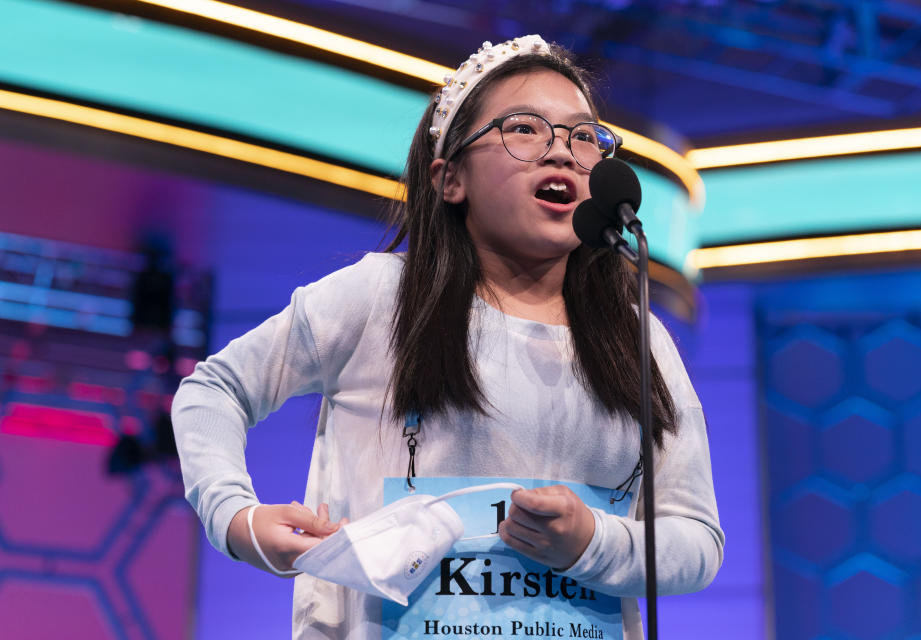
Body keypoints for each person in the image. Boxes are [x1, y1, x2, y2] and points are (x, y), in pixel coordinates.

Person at [172, 35, 723, 639]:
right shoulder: (380, 299)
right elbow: (213, 389)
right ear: (450, 178)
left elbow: (696, 539)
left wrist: (593, 542)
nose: (562, 153)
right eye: (525, 129)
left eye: (583, 136)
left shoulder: (638, 339)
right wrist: (234, 518)